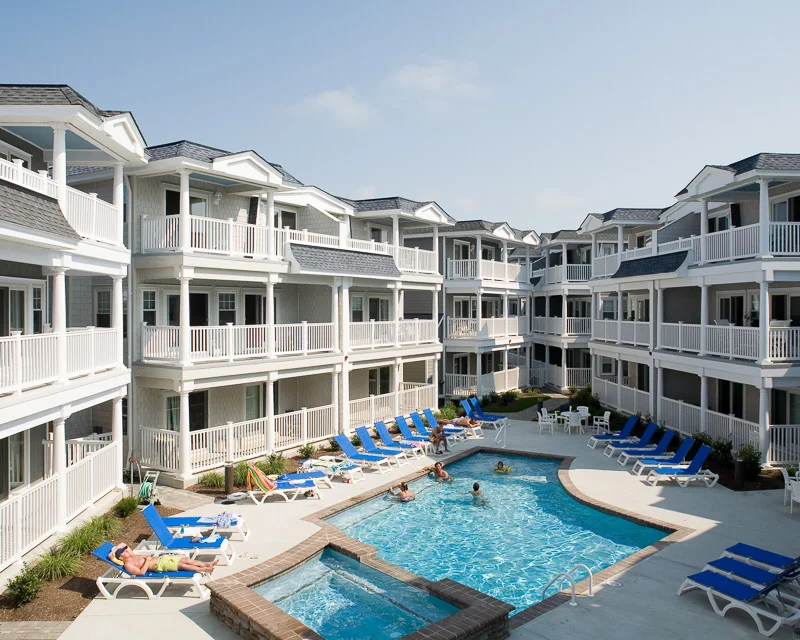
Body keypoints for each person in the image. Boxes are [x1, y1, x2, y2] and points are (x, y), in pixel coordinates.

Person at [109, 543, 219, 576]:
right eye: (124, 551)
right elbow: (141, 573)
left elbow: (124, 544)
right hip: (159, 566)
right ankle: (205, 570)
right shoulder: (128, 565)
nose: (127, 550)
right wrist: (147, 561)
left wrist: (114, 549)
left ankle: (207, 564)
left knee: (187, 560)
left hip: (162, 559)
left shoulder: (132, 555)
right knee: (183, 566)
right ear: (121, 557)